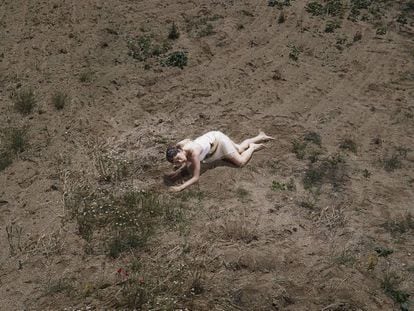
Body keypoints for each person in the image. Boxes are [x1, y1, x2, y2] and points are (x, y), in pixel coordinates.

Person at [165, 130, 274, 192]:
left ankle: (253, 147)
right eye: (176, 161)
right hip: (213, 138)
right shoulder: (179, 146)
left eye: (179, 157)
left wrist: (180, 188)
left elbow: (195, 177)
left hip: (219, 143)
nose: (180, 161)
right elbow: (185, 162)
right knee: (239, 148)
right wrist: (177, 172)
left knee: (240, 162)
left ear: (179, 151)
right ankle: (260, 136)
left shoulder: (194, 153)